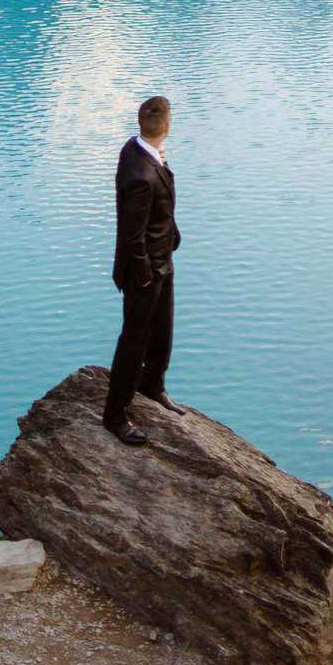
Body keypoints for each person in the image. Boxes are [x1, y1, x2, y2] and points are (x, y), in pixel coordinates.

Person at [104, 94, 183, 446]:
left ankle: (153, 385)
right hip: (146, 269)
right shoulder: (140, 174)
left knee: (162, 330)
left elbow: (157, 207)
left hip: (162, 259)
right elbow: (132, 234)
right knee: (134, 341)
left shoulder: (138, 149)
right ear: (167, 127)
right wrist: (145, 273)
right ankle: (115, 415)